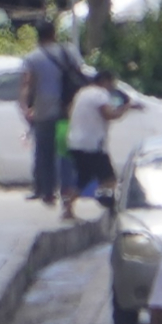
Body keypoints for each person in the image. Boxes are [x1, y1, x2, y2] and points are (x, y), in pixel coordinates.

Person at [19, 20, 78, 205]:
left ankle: (47, 192)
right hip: (67, 109)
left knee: (45, 152)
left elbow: (28, 85)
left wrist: (26, 107)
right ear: (54, 34)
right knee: (66, 151)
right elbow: (78, 75)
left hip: (44, 110)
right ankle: (67, 189)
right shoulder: (69, 52)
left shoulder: (32, 58)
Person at [63, 70, 135, 217]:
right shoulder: (100, 94)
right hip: (92, 145)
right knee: (109, 179)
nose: (112, 87)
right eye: (111, 83)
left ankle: (68, 206)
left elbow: (70, 110)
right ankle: (109, 208)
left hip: (75, 142)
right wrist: (126, 108)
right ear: (105, 82)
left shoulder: (83, 93)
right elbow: (109, 115)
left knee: (84, 178)